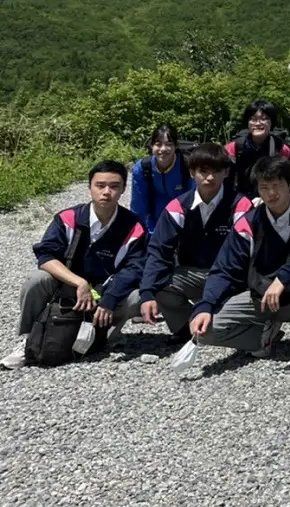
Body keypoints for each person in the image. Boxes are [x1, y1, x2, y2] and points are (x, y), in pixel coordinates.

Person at [188, 156, 290, 370]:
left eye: (277, 186)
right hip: (262, 296)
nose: (271, 193)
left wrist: (283, 277)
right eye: (264, 187)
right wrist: (206, 305)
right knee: (204, 332)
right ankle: (263, 337)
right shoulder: (247, 222)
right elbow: (224, 270)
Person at [3, 161, 147, 369]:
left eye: (114, 186)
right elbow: (45, 256)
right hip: (68, 285)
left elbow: (135, 268)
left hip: (107, 290)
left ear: (124, 189)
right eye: (100, 185)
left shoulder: (134, 226)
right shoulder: (68, 218)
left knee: (137, 297)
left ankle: (109, 333)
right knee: (36, 280)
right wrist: (80, 284)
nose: (107, 192)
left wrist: (109, 299)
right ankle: (29, 339)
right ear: (89, 187)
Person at [139, 143, 252, 341]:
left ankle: (225, 320)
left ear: (226, 172)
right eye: (203, 171)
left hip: (234, 278)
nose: (209, 177)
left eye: (216, 171)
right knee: (160, 284)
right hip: (194, 273)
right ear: (192, 173)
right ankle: (185, 328)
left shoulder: (241, 205)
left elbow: (241, 256)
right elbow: (158, 251)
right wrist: (147, 292)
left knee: (229, 315)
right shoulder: (177, 208)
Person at [225, 100, 290, 198]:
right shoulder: (234, 147)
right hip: (239, 201)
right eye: (253, 119)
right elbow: (224, 179)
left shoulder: (283, 149)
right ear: (247, 122)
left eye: (264, 119)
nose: (258, 123)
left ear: (272, 122)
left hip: (273, 200)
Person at [130, 124, 195, 231]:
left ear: (176, 146)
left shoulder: (187, 167)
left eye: (169, 144)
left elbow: (195, 202)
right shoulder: (142, 168)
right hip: (154, 224)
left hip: (184, 223)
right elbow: (138, 206)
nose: (163, 149)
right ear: (151, 146)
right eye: (158, 144)